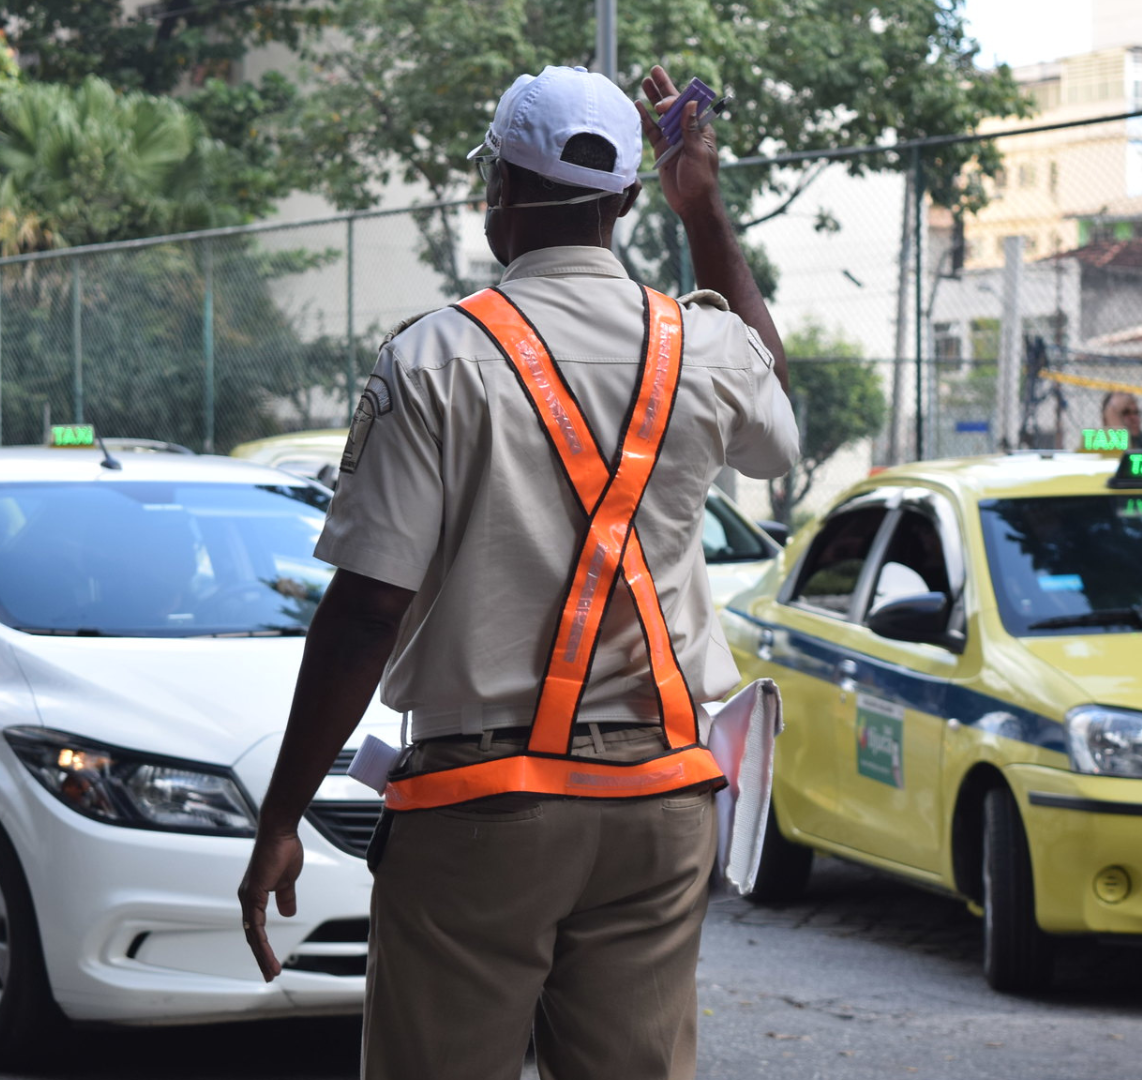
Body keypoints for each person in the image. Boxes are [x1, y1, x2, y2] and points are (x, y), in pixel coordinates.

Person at [235, 64, 798, 1080]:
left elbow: (367, 610)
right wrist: (704, 209)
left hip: (481, 811)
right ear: (627, 201)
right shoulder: (704, 347)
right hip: (659, 803)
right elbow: (772, 404)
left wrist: (282, 816)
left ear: (496, 191)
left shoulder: (433, 359)